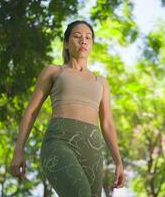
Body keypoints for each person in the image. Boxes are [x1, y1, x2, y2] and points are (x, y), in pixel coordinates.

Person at [9, 20, 125, 196]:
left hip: (93, 150)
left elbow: (107, 123)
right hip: (59, 142)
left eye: (88, 38)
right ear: (66, 43)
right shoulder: (54, 71)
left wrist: (118, 161)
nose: (83, 41)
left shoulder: (101, 82)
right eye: (77, 36)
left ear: (92, 44)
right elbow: (31, 112)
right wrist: (18, 152)